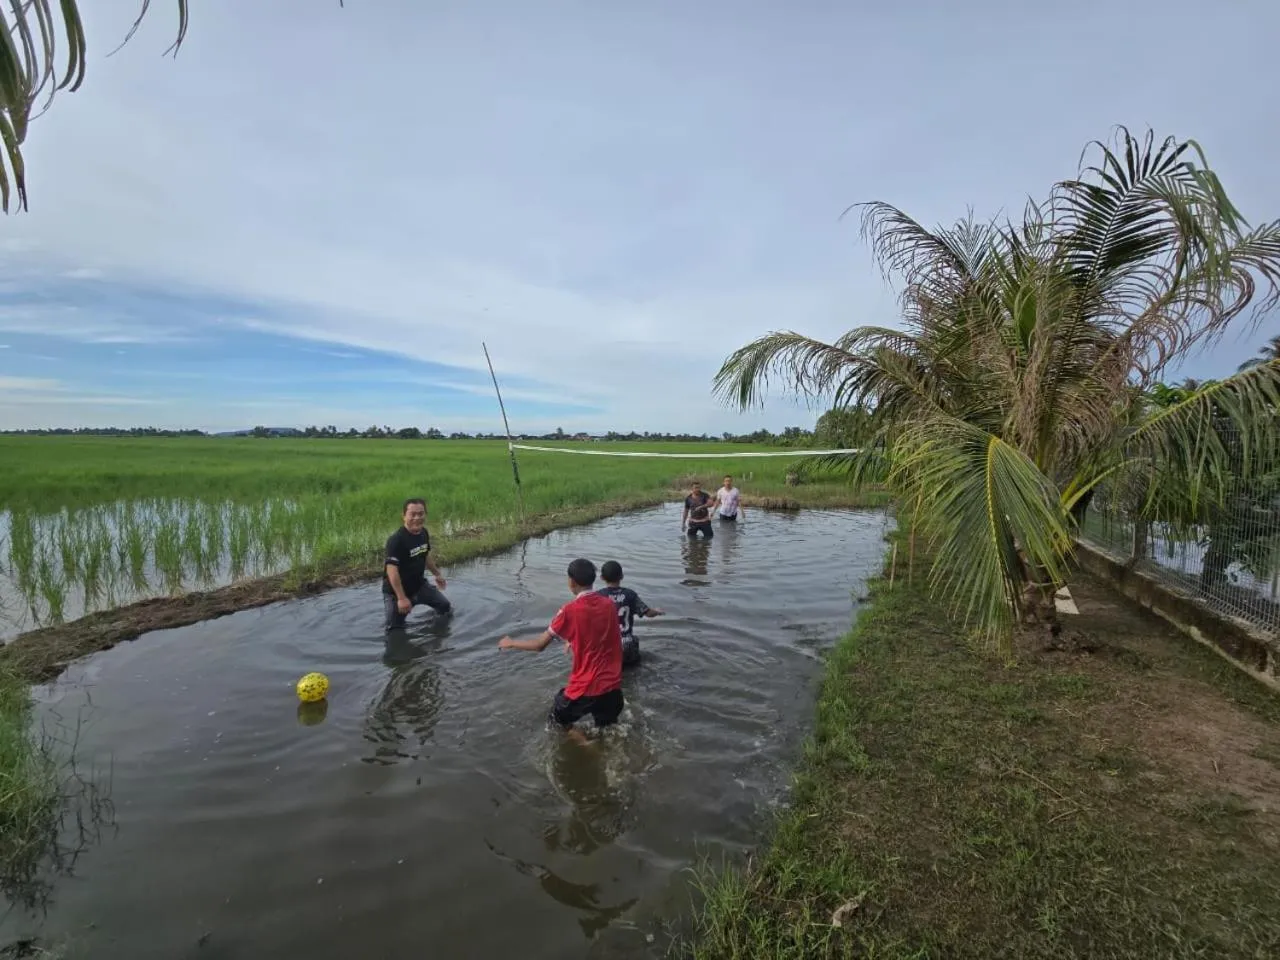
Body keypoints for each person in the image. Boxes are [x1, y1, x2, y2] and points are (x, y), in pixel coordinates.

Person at [498, 558, 625, 730]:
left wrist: (511, 642)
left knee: (555, 721)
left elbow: (539, 645)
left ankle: (585, 744)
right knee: (607, 730)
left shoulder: (569, 610)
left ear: (571, 582)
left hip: (585, 689)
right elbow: (601, 634)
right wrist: (571, 640)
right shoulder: (609, 605)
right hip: (613, 689)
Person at [382, 498, 452, 632]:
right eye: (412, 514)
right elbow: (392, 572)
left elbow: (425, 555)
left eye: (421, 514)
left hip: (419, 586)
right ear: (404, 516)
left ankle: (438, 634)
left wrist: (437, 574)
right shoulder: (396, 540)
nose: (417, 518)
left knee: (445, 608)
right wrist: (402, 598)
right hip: (396, 593)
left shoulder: (423, 533)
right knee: (395, 630)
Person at [597, 560, 664, 668]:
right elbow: (648, 613)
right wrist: (657, 611)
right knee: (634, 669)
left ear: (602, 577)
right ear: (622, 576)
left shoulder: (598, 597)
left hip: (609, 647)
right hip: (628, 644)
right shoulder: (630, 594)